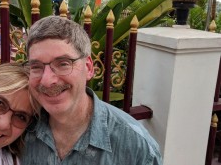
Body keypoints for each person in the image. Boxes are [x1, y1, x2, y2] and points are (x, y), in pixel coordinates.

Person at [21, 16, 162, 164]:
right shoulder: (20, 130)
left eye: (63, 64)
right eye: (36, 67)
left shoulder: (135, 146)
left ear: (88, 68)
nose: (47, 80)